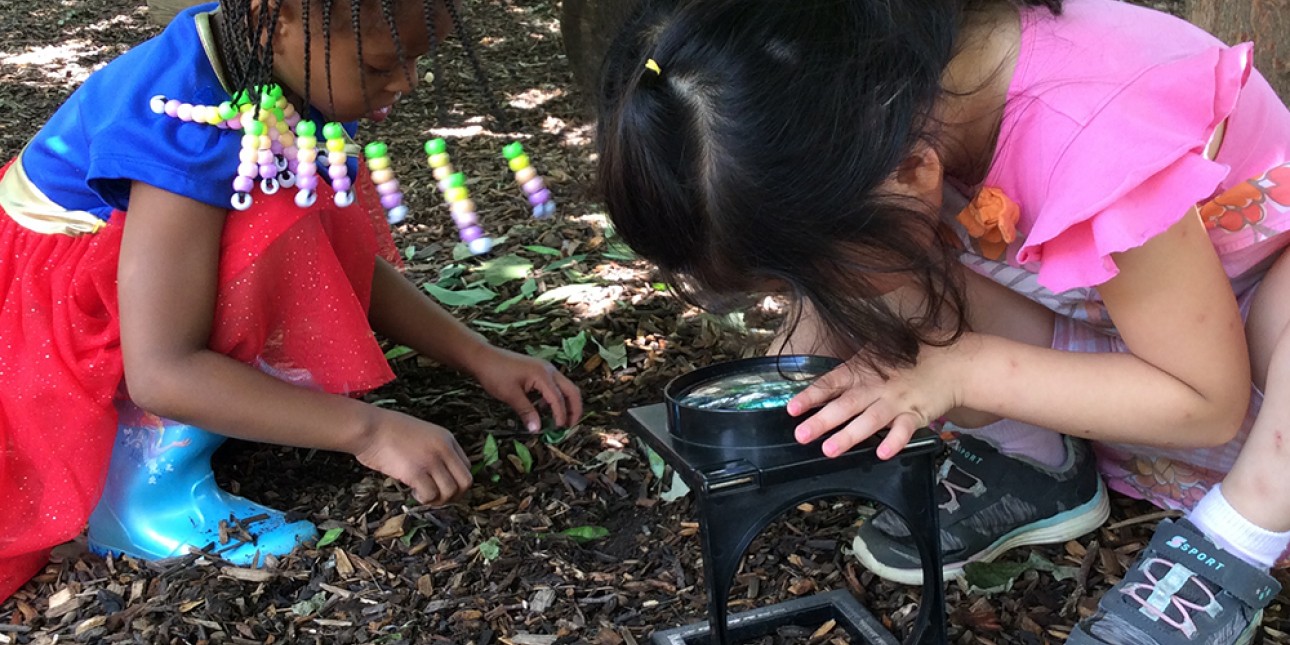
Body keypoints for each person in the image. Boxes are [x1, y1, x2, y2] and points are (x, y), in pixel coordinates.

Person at [596, 0, 1290, 642]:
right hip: (1129, 334)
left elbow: (1209, 405)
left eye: (798, 282)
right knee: (881, 273)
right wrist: (776, 398)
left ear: (909, 169)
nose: (808, 303)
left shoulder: (1093, 132)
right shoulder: (891, 95)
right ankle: (1037, 462)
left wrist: (957, 371)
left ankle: (1230, 542)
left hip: (1238, 390)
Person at [0, 0, 582, 604]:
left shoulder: (277, 59)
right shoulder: (189, 131)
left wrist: (478, 355)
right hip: (54, 322)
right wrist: (370, 432)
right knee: (272, 219)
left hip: (142, 287)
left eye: (416, 61)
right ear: (275, 21)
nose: (405, 82)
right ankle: (140, 488)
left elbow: (328, 255)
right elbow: (162, 371)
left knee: (289, 207)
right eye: (385, 64)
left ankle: (226, 410)